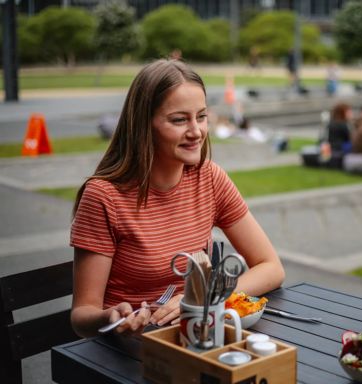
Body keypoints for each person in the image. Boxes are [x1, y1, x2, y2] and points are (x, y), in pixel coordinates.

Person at [70, 59, 285, 338]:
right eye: (179, 119)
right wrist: (109, 317)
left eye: (202, 116)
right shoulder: (104, 197)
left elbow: (271, 267)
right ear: (144, 124)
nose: (196, 131)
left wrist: (204, 298)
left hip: (190, 338)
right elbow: (81, 315)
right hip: (129, 349)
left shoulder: (209, 178)